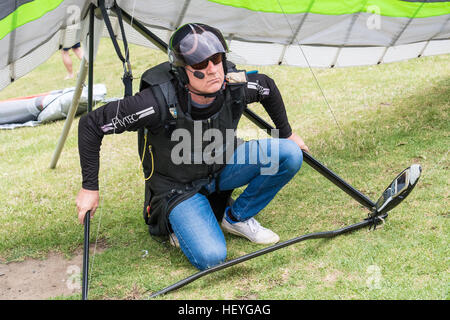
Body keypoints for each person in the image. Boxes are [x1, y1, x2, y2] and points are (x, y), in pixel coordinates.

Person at [76, 23, 309, 271]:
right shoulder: (156, 102)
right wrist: (90, 187)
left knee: (289, 154)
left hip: (223, 164)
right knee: (211, 256)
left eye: (216, 59)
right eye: (200, 65)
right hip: (178, 188)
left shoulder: (233, 84)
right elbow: (92, 124)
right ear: (182, 72)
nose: (212, 70)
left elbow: (266, 86)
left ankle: (236, 217)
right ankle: (178, 223)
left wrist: (287, 133)